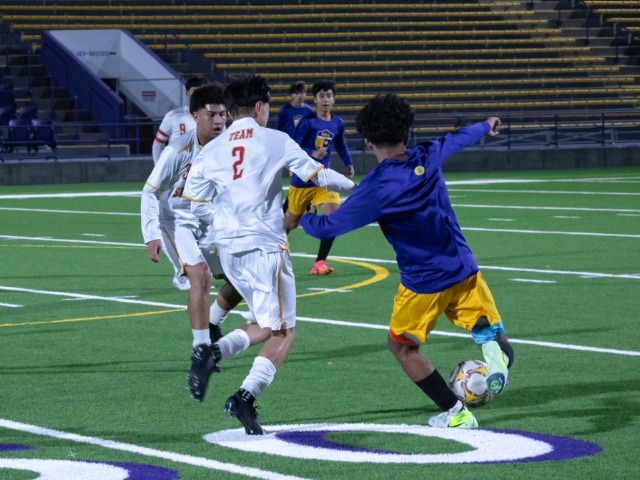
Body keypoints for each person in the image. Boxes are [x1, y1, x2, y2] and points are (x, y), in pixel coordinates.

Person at [299, 93, 514, 429]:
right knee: (490, 331)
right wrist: (487, 124)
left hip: (423, 284)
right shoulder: (428, 154)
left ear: (367, 140)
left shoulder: (375, 187)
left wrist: (303, 216)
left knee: (401, 347)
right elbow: (460, 137)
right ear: (408, 132)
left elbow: (329, 226)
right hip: (464, 269)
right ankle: (493, 352)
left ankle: (456, 412)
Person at [182, 75, 355, 435]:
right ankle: (244, 396)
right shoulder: (274, 139)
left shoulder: (211, 149)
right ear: (259, 107)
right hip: (264, 247)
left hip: (229, 251)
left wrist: (225, 224)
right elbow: (317, 175)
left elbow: (194, 205)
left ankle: (211, 353)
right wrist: (357, 187)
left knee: (264, 324)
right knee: (284, 332)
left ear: (230, 111)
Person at [141, 82, 242, 353]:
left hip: (212, 219)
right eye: (211, 114)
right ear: (195, 116)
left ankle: (212, 322)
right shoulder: (177, 150)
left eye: (222, 114)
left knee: (242, 278)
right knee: (200, 275)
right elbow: (150, 192)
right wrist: (151, 235)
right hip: (178, 220)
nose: (219, 120)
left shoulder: (234, 145)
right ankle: (201, 350)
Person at [285, 80, 355, 275]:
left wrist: (348, 163)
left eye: (329, 96)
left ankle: (319, 263)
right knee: (291, 223)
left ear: (334, 99)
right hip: (302, 180)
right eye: (322, 96)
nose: (325, 100)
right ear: (315, 99)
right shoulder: (306, 122)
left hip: (324, 179)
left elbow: (340, 145)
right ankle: (272, 248)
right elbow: (294, 146)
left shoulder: (338, 123)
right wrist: (312, 153)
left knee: (333, 218)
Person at [150, 75, 209, 290]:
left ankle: (202, 266)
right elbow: (158, 144)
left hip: (201, 180)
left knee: (201, 223)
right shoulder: (174, 116)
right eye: (194, 91)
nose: (197, 95)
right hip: (174, 180)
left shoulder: (210, 117)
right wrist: (160, 171)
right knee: (168, 222)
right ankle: (182, 270)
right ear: (187, 93)